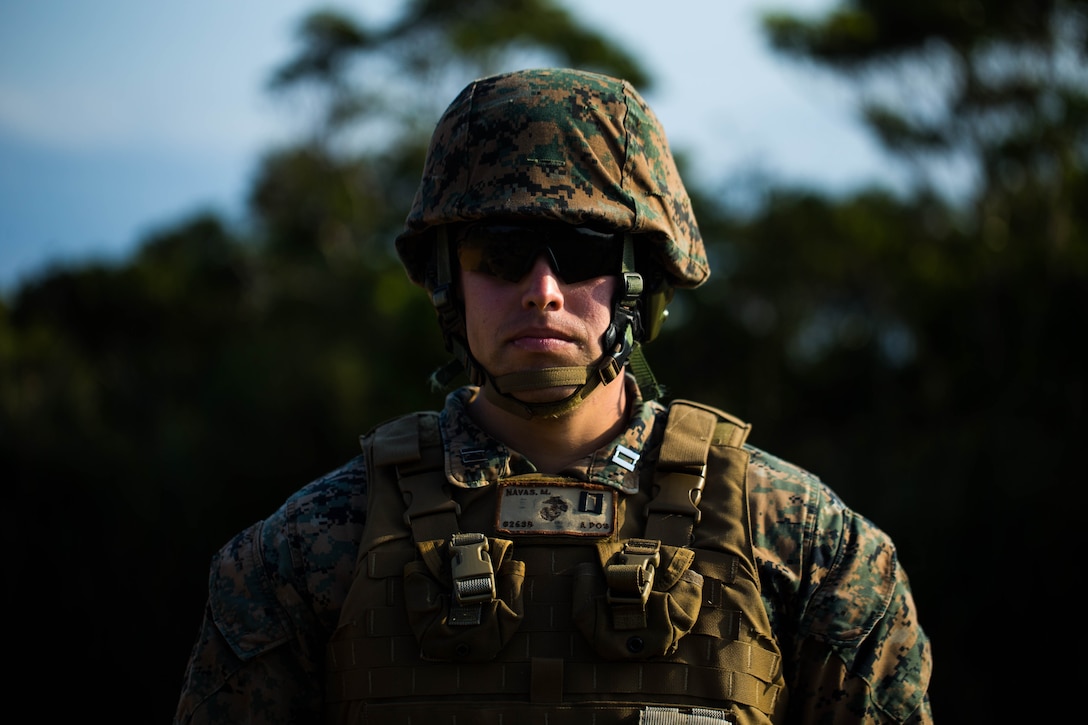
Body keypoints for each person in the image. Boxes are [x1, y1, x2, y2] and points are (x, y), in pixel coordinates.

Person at [174, 67, 933, 724]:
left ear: (643, 277)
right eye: (498, 253)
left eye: (581, 252)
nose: (541, 291)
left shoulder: (808, 547)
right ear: (448, 278)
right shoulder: (304, 557)